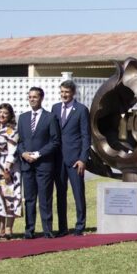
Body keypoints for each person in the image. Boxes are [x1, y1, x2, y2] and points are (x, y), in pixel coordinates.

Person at [17, 87, 59, 239]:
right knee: (29, 199)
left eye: (35, 97)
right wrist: (23, 153)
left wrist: (38, 154)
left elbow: (55, 141)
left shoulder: (50, 117)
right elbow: (19, 141)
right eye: (30, 97)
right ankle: (29, 230)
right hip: (27, 165)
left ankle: (47, 230)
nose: (32, 99)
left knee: (45, 198)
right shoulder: (22, 118)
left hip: (43, 164)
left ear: (41, 98)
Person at [51, 80, 90, 236]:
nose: (64, 95)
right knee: (60, 194)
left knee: (78, 193)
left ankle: (80, 225)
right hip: (58, 159)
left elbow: (86, 136)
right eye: (61, 92)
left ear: (73, 93)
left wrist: (83, 159)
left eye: (66, 92)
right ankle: (62, 227)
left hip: (75, 159)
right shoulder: (54, 108)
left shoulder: (81, 110)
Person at [0, 103, 21, 239]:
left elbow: (12, 150)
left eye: (5, 113)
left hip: (8, 167)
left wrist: (7, 168)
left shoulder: (10, 130)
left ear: (10, 116)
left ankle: (9, 228)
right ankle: (0, 229)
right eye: (0, 112)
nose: (2, 115)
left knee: (9, 197)